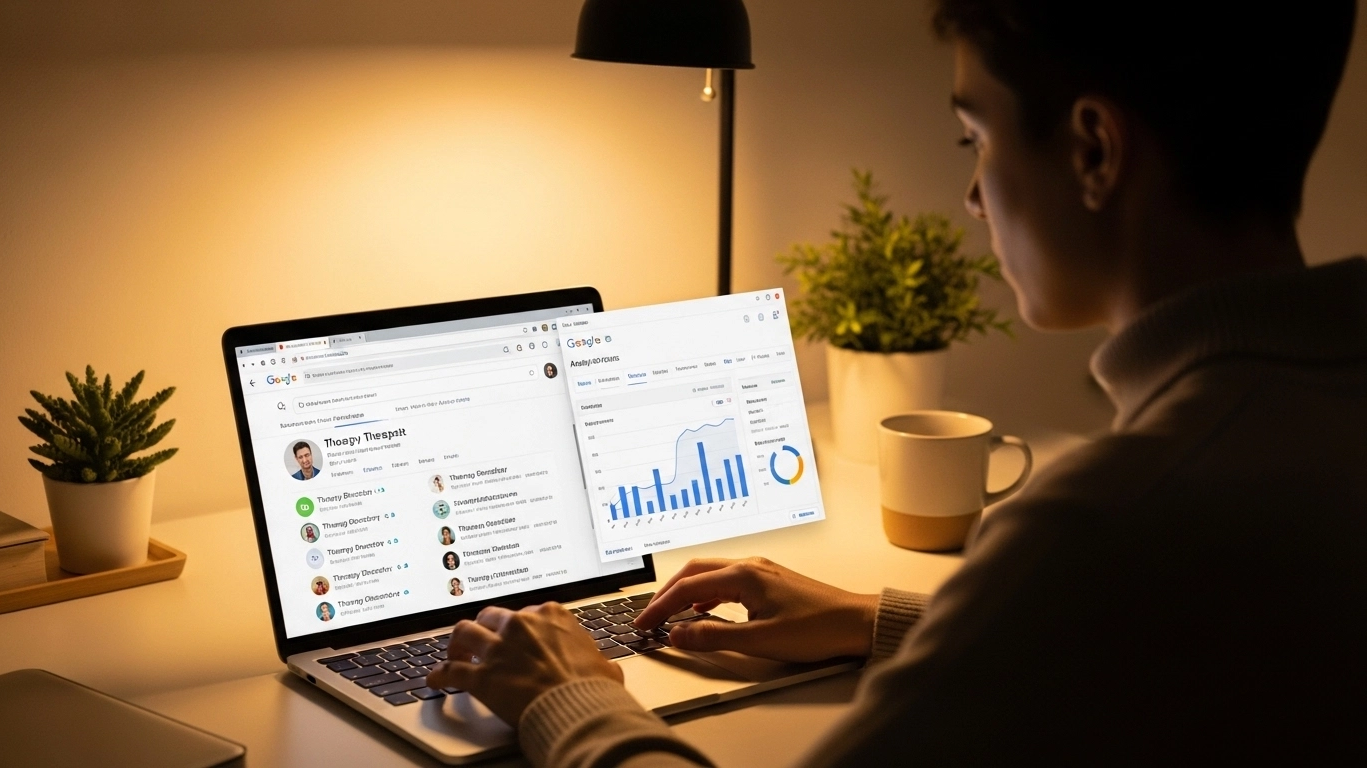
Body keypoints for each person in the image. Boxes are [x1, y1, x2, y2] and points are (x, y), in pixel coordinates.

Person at [424, 2, 1366, 765]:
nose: (974, 196)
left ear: (1093, 151)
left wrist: (568, 697)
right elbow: (1163, 646)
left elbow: (1109, 591)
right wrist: (884, 620)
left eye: (973, 138)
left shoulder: (1110, 522)